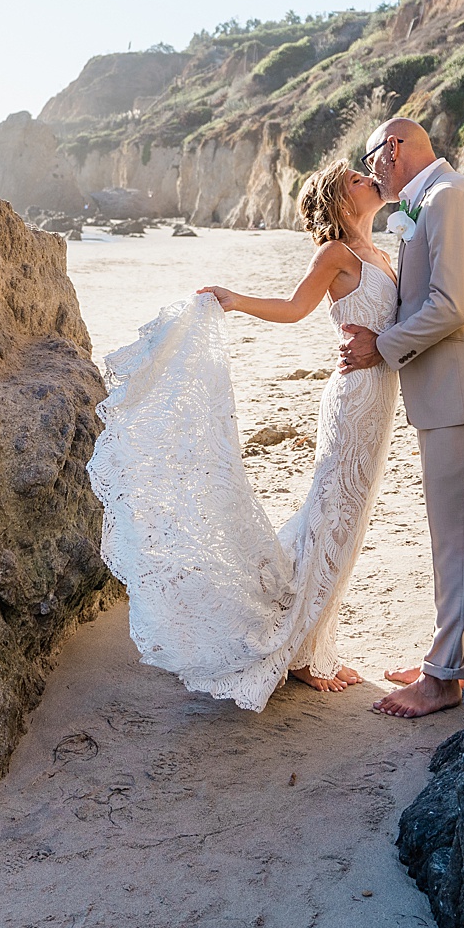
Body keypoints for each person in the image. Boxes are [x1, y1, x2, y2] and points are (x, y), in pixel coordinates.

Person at [87, 161, 405, 708]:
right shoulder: (337, 255)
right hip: (354, 400)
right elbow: (294, 308)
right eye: (354, 178)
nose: (366, 176)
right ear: (341, 200)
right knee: (333, 516)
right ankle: (302, 653)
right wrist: (234, 300)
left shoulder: (383, 253)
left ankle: (312, 640)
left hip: (380, 398)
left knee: (347, 520)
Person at [337, 118, 464, 719]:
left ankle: (444, 679)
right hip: (448, 391)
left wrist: (381, 346)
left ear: (393, 149)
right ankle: (448, 657)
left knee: (463, 533)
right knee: (453, 533)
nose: (370, 174)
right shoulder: (435, 203)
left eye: (372, 160)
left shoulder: (451, 201)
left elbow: (450, 304)